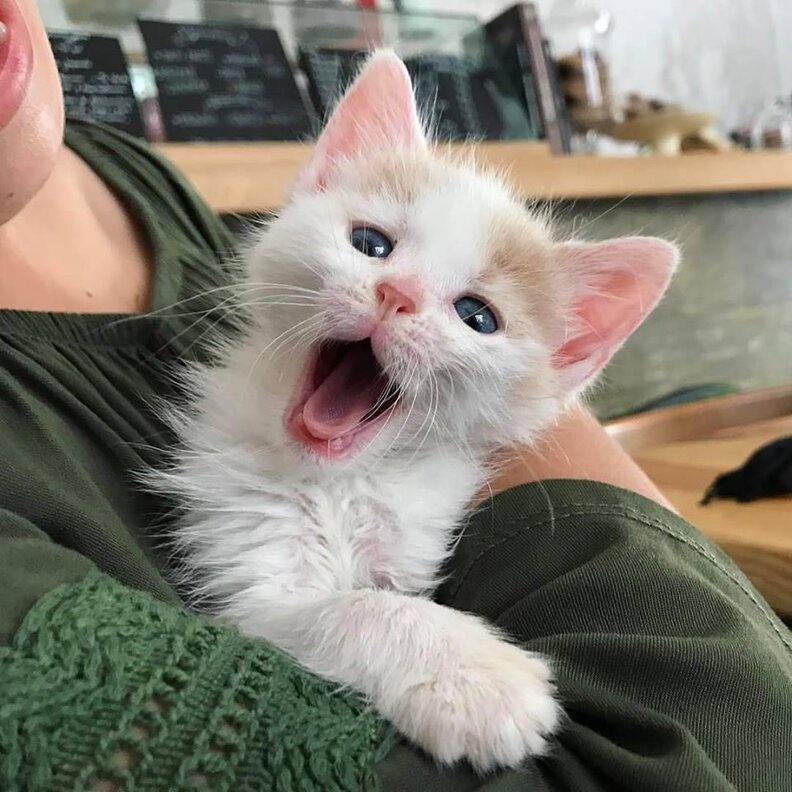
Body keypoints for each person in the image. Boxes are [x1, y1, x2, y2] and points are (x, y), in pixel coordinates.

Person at [1, 2, 790, 790]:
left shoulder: (141, 182)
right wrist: (402, 632)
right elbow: (270, 615)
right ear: (317, 185)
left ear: (570, 356)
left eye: (477, 313)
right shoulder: (239, 433)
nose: (398, 294)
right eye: (371, 243)